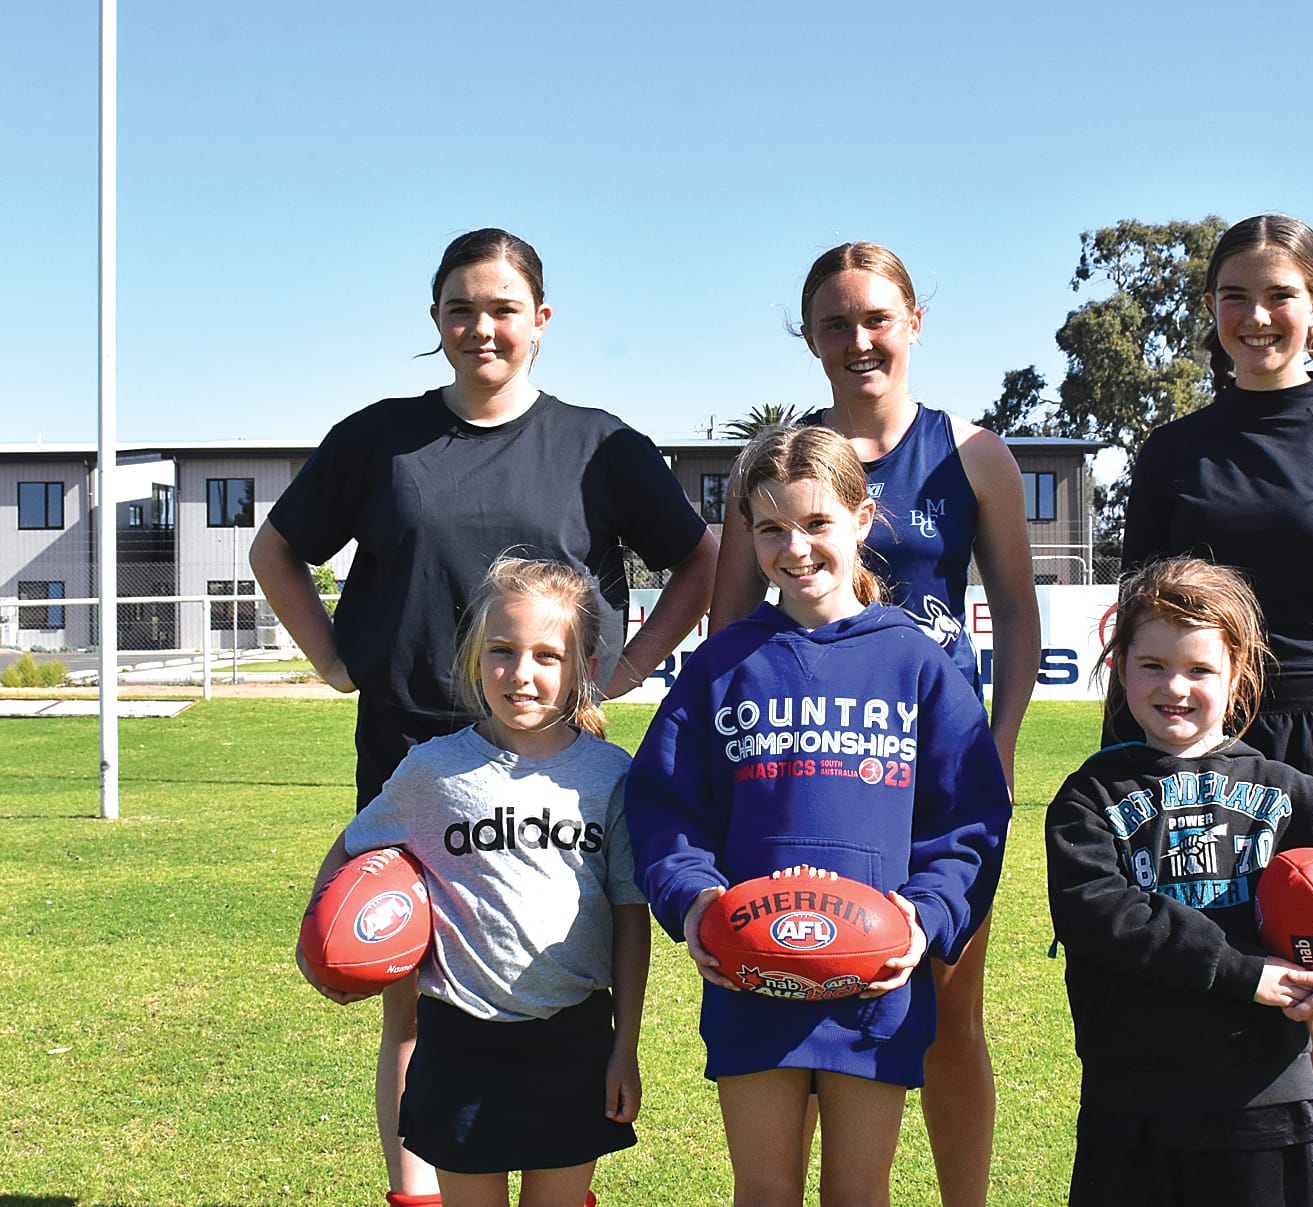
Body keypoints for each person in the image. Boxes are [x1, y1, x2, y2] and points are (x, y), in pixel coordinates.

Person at [254, 228, 717, 1205]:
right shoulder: (381, 439)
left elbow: (701, 558)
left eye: (504, 307)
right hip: (418, 760)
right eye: (461, 307)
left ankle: (561, 1176)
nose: (482, 326)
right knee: (417, 1008)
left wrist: (628, 665)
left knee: (557, 983)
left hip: (562, 763)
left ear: (541, 321)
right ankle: (418, 1193)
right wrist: (333, 659)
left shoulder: (601, 445)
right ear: (435, 319)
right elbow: (275, 550)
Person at [1109, 213, 1313, 1200]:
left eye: (1279, 295)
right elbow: (1139, 639)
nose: (1258, 316)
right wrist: (1125, 783)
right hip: (1200, 747)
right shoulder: (1172, 454)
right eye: (1235, 298)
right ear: (1210, 312)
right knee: (1200, 1002)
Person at [708, 242, 1038, 1205]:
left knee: (945, 1006)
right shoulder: (777, 465)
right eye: (836, 323)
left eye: (877, 318)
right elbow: (730, 623)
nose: (859, 339)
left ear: (915, 323)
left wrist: (1001, 742)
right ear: (809, 339)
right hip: (803, 775)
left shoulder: (975, 455)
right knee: (797, 986)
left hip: (927, 780)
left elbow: (1016, 609)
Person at [628, 425, 1011, 1206]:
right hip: (750, 969)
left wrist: (925, 914)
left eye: (815, 524)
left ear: (862, 520)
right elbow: (663, 802)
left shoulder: (916, 663)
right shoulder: (723, 663)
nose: (794, 548)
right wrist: (696, 897)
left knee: (859, 1193)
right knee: (764, 1189)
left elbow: (969, 818)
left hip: (873, 979)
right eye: (770, 528)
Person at [1049, 557, 1313, 1206]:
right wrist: (1241, 971)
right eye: (1154, 665)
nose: (1176, 686)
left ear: (1237, 676)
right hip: (1131, 1110)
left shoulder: (1285, 793)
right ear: (1120, 667)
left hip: (1268, 1104)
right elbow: (1101, 913)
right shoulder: (1089, 796)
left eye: (1200, 668)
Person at [298, 556, 647, 1207]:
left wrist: (624, 1046)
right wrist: (314, 945)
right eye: (502, 651)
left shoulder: (610, 775)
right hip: (461, 1042)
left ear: (584, 669)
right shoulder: (433, 771)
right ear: (474, 656)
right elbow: (350, 846)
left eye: (547, 654)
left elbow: (630, 915)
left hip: (574, 1040)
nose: (521, 673)